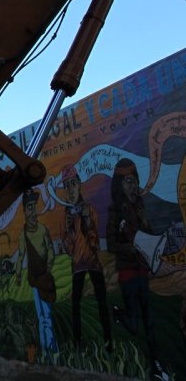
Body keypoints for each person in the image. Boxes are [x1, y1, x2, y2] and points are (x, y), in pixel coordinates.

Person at [106, 158, 165, 380]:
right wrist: (128, 249)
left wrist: (146, 224)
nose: (133, 186)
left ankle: (155, 365)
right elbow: (111, 244)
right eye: (128, 181)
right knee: (133, 324)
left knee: (149, 321)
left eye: (135, 181)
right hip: (128, 273)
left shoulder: (139, 206)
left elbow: (148, 232)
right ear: (120, 184)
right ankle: (118, 314)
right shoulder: (115, 210)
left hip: (142, 271)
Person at [59, 164, 112, 351]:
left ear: (79, 185)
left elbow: (95, 242)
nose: (70, 189)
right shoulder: (65, 215)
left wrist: (87, 220)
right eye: (66, 186)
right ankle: (78, 342)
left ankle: (108, 341)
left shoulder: (89, 209)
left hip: (93, 264)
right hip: (77, 266)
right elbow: (68, 249)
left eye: (73, 184)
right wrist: (69, 228)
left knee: (102, 302)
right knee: (75, 305)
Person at [15, 188, 58, 355]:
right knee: (41, 317)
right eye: (29, 208)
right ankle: (46, 350)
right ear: (25, 211)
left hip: (44, 280)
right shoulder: (23, 235)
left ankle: (52, 349)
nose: (33, 211)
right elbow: (20, 257)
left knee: (47, 316)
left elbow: (50, 251)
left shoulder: (42, 230)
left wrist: (47, 269)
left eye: (34, 207)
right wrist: (18, 275)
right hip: (34, 282)